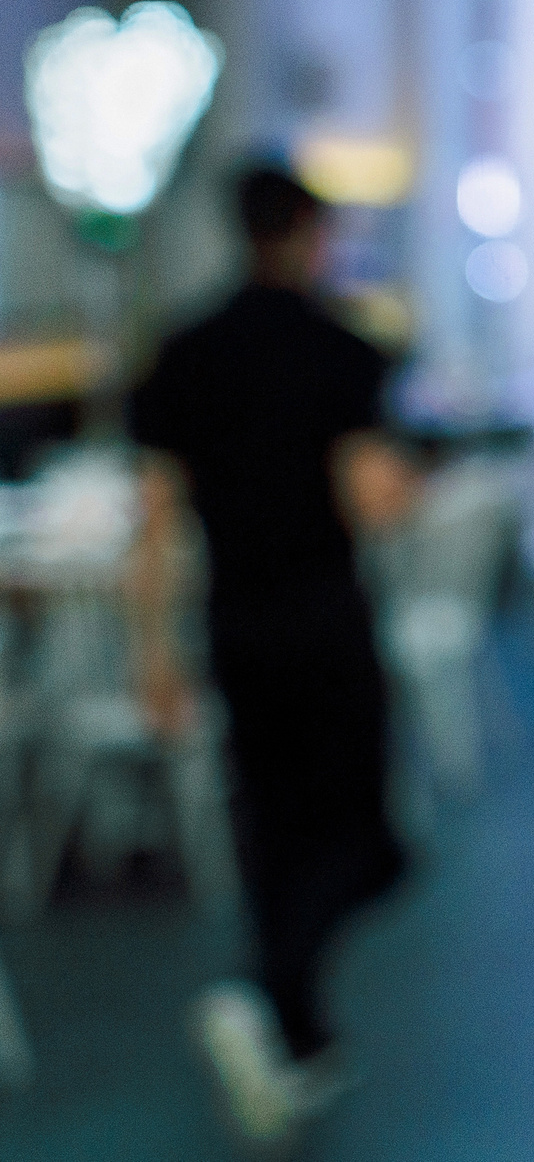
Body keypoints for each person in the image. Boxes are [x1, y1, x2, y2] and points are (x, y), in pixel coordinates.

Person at [124, 165, 415, 1147]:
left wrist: (152, 654)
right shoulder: (340, 348)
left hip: (234, 623)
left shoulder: (182, 349)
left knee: (268, 826)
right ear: (307, 234)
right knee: (366, 840)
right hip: (324, 618)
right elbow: (371, 500)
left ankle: (297, 1031)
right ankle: (269, 1000)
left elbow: (155, 521)